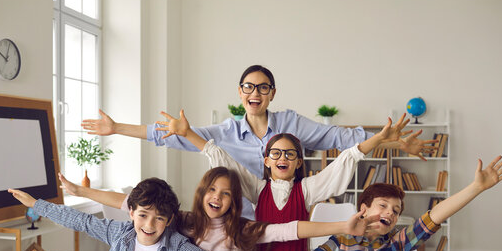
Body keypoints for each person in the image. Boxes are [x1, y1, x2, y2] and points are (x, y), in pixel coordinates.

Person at [81, 65, 437, 218]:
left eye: (263, 87)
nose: (255, 92)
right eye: (249, 87)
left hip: (286, 212)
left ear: (271, 94)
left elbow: (342, 140)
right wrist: (117, 129)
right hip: (241, 217)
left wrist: (392, 143)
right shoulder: (224, 133)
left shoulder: (291, 125)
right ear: (241, 93)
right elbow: (172, 137)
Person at [156, 109, 413, 251]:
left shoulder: (306, 189)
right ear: (266, 160)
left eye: (290, 154)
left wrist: (378, 140)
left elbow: (347, 159)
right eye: (276, 153)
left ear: (299, 162)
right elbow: (220, 155)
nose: (283, 158)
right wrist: (188, 133)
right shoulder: (258, 189)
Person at [228, 156, 502, 251]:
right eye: (383, 205)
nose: (390, 213)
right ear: (362, 209)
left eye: (396, 211)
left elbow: (433, 217)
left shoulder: (397, 245)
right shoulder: (340, 242)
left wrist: (476, 188)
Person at [56, 170, 379, 251]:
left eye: (225, 193)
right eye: (212, 189)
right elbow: (131, 202)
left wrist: (341, 225)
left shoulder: (243, 230)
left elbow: (289, 230)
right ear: (202, 192)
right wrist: (82, 193)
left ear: (233, 200)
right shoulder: (183, 221)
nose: (217, 197)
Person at [7, 178, 308, 251]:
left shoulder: (179, 250)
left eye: (159, 218)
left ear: (169, 221)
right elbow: (80, 220)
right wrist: (37, 205)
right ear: (131, 213)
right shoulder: (119, 234)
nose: (149, 225)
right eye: (143, 215)